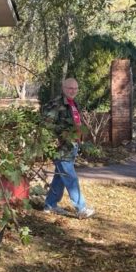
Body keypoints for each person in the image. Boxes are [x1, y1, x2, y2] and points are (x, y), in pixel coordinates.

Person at [42, 78, 95, 219]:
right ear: (63, 88)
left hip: (72, 146)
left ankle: (50, 204)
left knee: (60, 177)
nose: (73, 91)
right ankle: (81, 208)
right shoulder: (55, 104)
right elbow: (46, 125)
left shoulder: (74, 103)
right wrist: (65, 132)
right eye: (70, 88)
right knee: (70, 178)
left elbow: (77, 123)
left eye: (76, 88)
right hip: (60, 148)